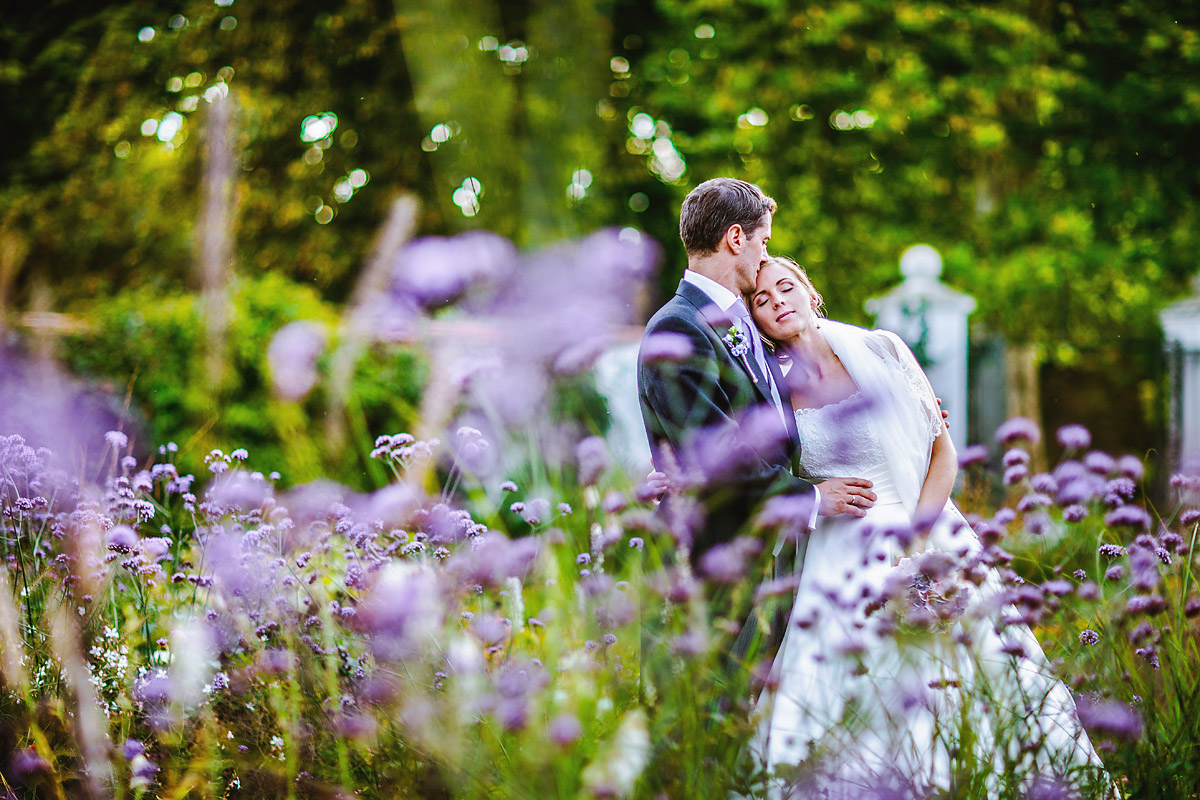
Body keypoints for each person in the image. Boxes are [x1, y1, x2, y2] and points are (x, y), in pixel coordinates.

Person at [745, 256, 1107, 796]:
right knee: (848, 689)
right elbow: (758, 471)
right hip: (835, 556)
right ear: (755, 318)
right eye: (761, 299)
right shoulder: (768, 387)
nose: (777, 301)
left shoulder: (882, 349)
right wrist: (816, 496)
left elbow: (944, 452)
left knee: (971, 674)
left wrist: (915, 543)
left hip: (924, 531)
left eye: (785, 287)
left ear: (808, 290)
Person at [635, 180, 877, 678]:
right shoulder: (677, 329)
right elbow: (713, 450)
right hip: (709, 561)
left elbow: (778, 416)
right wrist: (810, 498)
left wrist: (904, 412)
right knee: (705, 715)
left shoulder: (739, 321)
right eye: (764, 241)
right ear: (736, 237)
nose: (765, 254)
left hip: (764, 559)